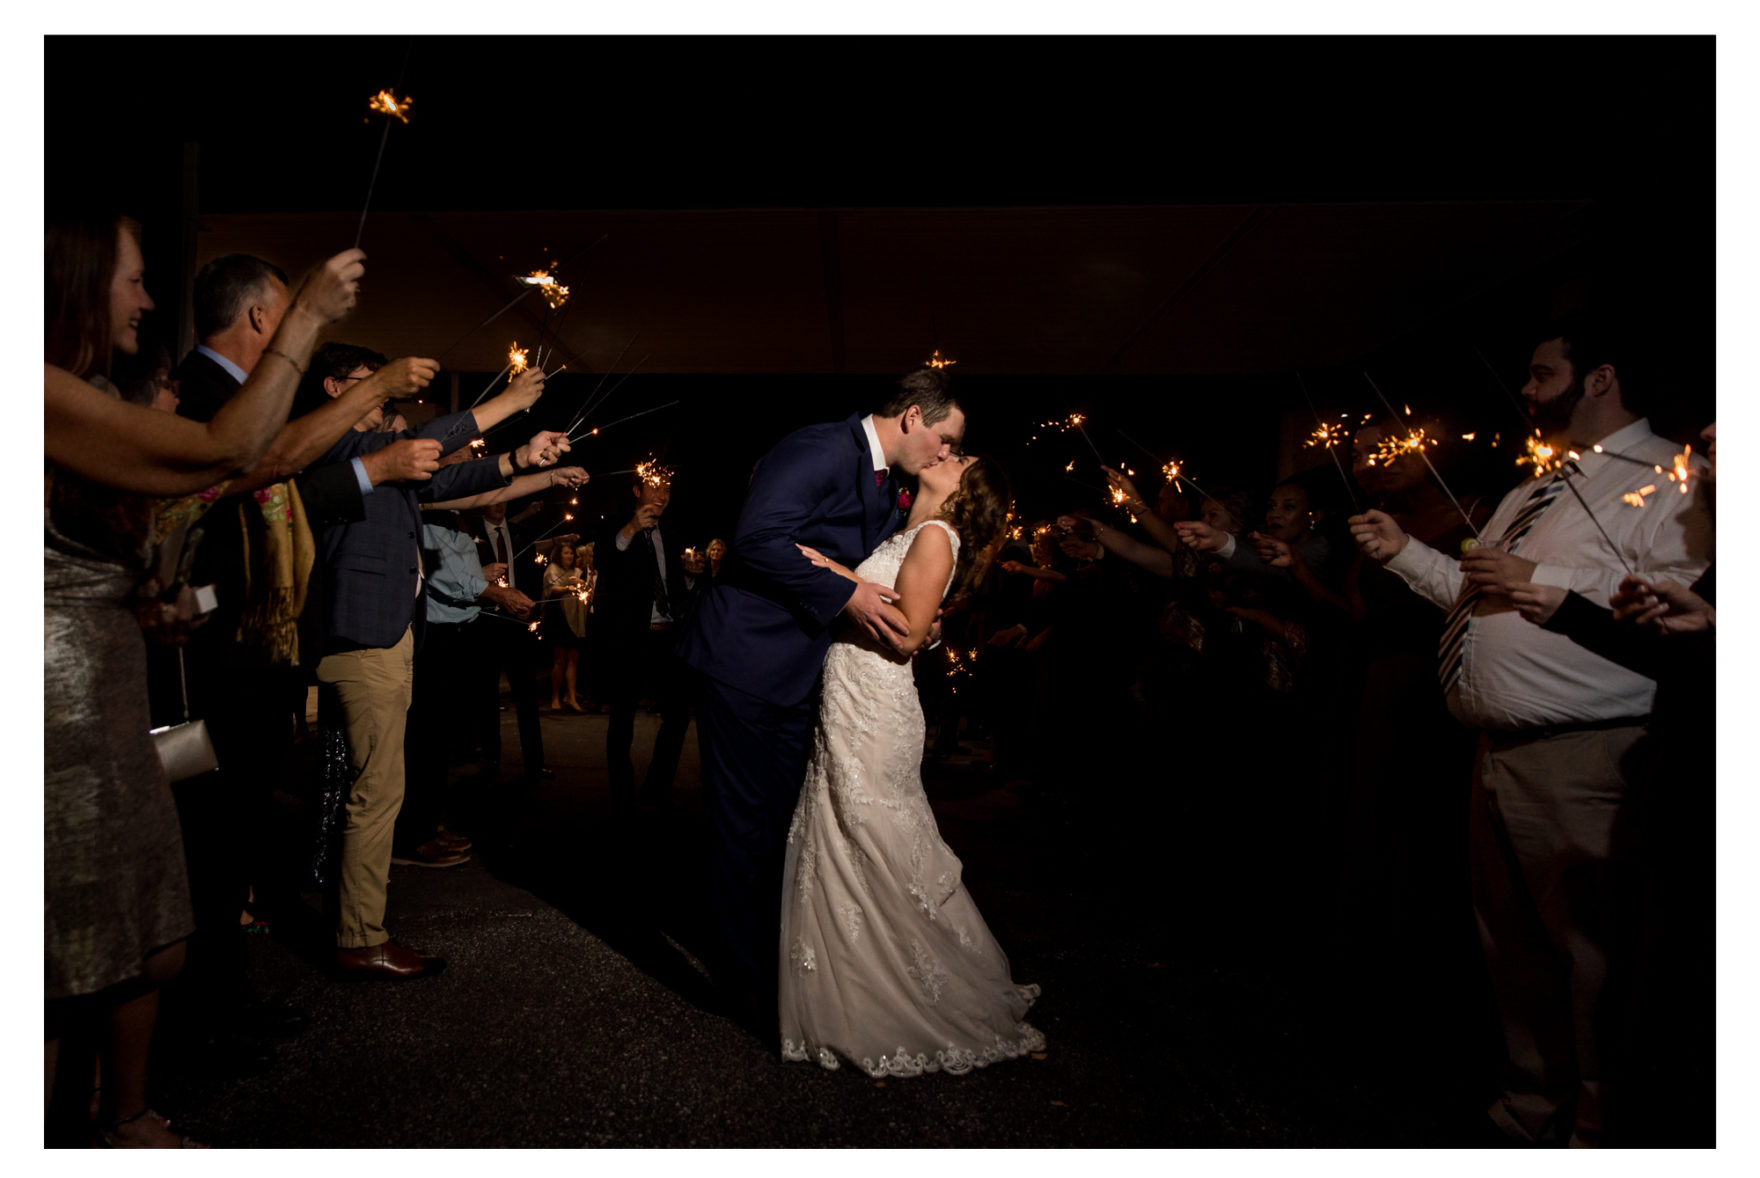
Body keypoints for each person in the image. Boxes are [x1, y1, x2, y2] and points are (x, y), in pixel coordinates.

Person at [1347, 318, 1711, 1146]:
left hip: (1589, 753)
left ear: (1600, 379)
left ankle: (1605, 1132)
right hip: (1497, 751)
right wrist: (1407, 554)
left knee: (1595, 957)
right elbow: (1484, 596)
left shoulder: (1670, 477)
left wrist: (1541, 575)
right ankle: (1527, 1116)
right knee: (1514, 950)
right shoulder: (1534, 486)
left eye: (1542, 374)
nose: (1526, 388)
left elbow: (1682, 596)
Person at [44, 212, 362, 1146]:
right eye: (134, 279)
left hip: (98, 688)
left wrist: (141, 597)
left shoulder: (85, 389)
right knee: (64, 949)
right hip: (47, 708)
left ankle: (112, 1112)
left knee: (138, 939)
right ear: (76, 281)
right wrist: (304, 320)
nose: (150, 299)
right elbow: (227, 453)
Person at [675, 367, 965, 1031]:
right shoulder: (820, 448)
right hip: (745, 659)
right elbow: (756, 541)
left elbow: (868, 555)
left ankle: (778, 967)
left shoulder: (888, 481)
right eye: (946, 438)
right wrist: (852, 596)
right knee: (741, 826)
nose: (947, 453)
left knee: (782, 823)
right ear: (914, 415)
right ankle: (740, 981)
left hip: (799, 670)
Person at [301, 343, 567, 980]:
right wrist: (507, 402)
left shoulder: (377, 457)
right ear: (335, 388)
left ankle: (348, 920)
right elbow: (424, 443)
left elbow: (448, 479)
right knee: (376, 790)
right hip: (364, 632)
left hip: (382, 632)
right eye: (372, 385)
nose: (385, 397)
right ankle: (359, 935)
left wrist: (517, 458)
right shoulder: (330, 441)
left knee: (367, 783)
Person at [778, 454, 1039, 1075]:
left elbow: (908, 633)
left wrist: (835, 574)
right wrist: (844, 571)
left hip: (876, 704)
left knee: (874, 834)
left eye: (961, 458)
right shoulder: (904, 529)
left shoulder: (933, 536)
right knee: (838, 829)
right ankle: (848, 992)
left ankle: (912, 994)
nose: (947, 453)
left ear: (965, 489)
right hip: (849, 696)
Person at [595, 470, 696, 817]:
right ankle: (622, 796)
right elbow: (603, 562)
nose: (663, 495)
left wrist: (690, 579)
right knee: (622, 718)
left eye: (668, 488)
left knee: (679, 714)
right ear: (638, 490)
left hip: (666, 635)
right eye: (655, 487)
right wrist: (630, 529)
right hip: (629, 637)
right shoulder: (615, 525)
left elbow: (673, 587)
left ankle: (656, 786)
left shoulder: (672, 531)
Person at [543, 540, 591, 712]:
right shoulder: (552, 570)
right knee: (559, 659)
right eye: (566, 553)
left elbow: (586, 589)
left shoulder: (577, 571)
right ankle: (555, 697)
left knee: (574, 658)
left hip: (574, 617)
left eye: (571, 553)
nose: (569, 556)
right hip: (558, 616)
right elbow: (553, 590)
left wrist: (580, 584)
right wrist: (568, 587)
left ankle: (571, 697)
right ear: (559, 554)